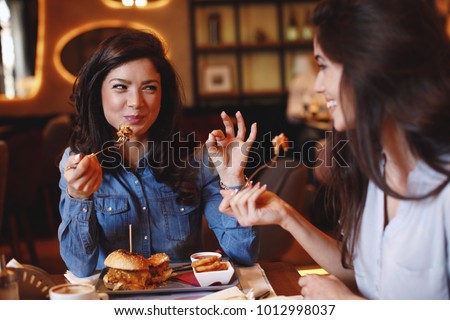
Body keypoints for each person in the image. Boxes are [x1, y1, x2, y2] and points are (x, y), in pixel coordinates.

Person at [216, 0, 450, 299]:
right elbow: (365, 275)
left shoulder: (443, 185)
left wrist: (351, 307)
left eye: (323, 66)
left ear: (372, 65)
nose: (317, 85)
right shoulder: (375, 168)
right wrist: (286, 216)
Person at [58, 29, 258, 277]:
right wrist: (78, 196)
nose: (136, 102)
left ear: (163, 96)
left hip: (183, 299)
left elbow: (243, 254)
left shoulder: (195, 158)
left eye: (149, 88)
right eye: (120, 87)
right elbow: (79, 267)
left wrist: (233, 181)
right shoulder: (77, 162)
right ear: (98, 92)